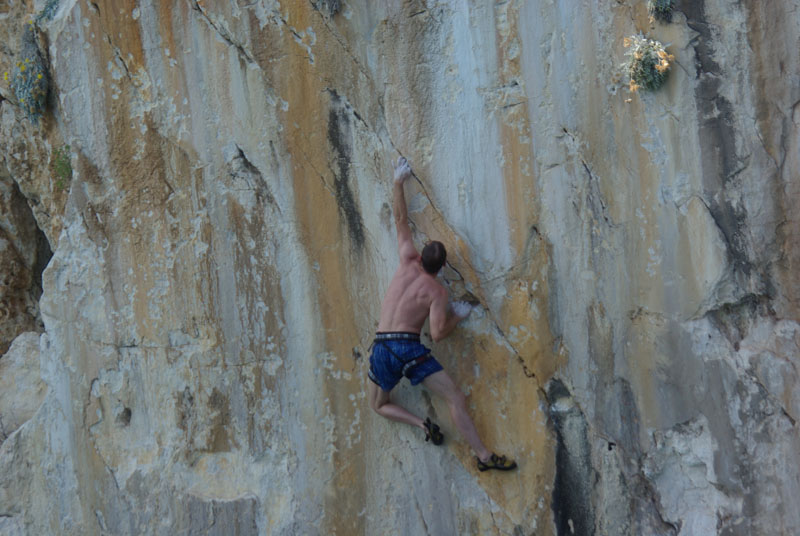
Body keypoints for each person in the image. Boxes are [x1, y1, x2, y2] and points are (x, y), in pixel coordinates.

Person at [367, 156, 517, 472]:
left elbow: (400, 219)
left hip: (381, 345)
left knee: (379, 405)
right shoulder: (437, 292)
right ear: (443, 268)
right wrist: (458, 315)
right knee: (455, 398)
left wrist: (398, 181)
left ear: (421, 256)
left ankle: (422, 424)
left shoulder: (407, 259)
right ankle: (484, 457)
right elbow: (436, 333)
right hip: (408, 348)